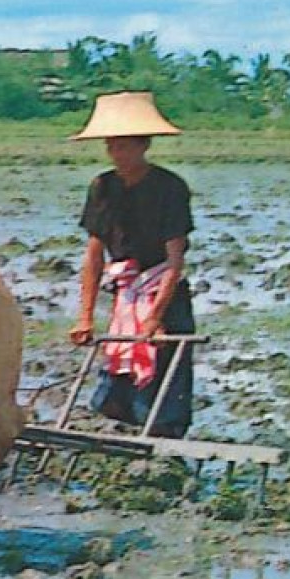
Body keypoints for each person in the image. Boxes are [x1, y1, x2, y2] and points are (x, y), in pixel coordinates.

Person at [66, 91, 195, 439]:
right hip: (126, 293)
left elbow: (174, 259)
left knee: (163, 394)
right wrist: (86, 315)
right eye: (111, 146)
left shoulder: (169, 188)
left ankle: (162, 447)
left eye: (124, 146)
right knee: (114, 395)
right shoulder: (103, 187)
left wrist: (154, 317)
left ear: (144, 145)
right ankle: (127, 438)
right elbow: (94, 255)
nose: (117, 154)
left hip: (162, 293)